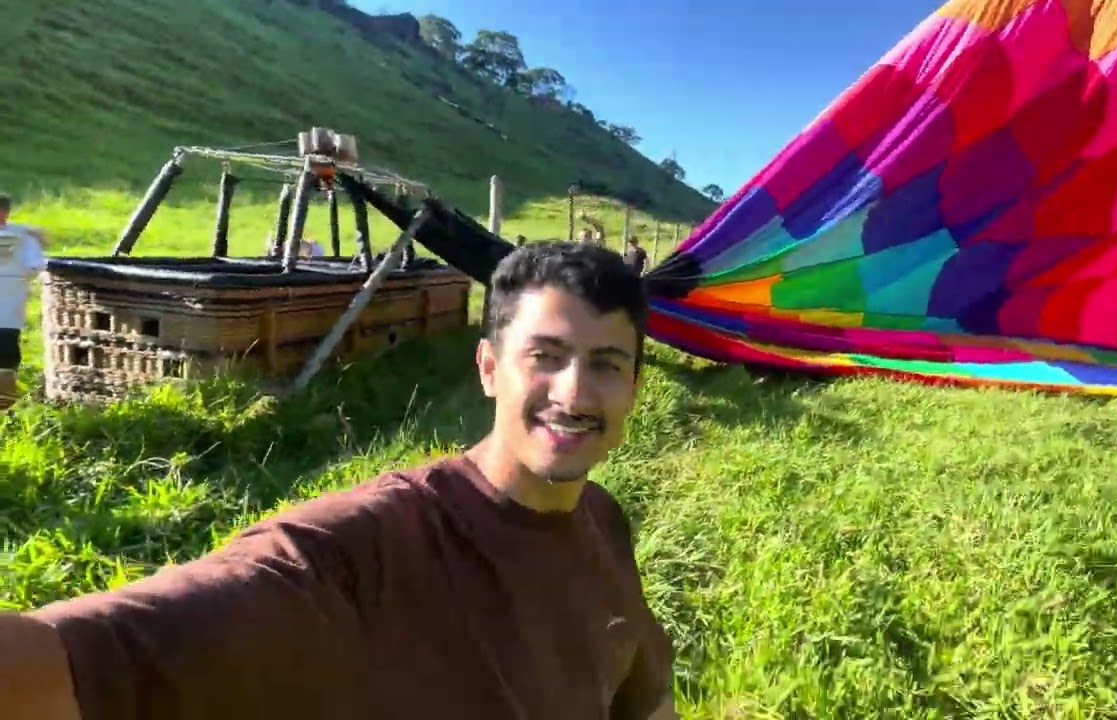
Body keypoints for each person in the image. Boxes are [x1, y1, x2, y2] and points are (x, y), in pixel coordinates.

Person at [0, 241, 677, 720]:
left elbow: (643, 701)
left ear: (636, 387)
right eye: (546, 356)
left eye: (607, 365)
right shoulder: (364, 549)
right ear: (489, 369)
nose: (575, 392)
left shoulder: (603, 521)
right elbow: (70, 660)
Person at [0, 193, 47, 409]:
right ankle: (6, 405)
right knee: (6, 356)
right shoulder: (23, 237)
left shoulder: (23, 235)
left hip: (9, 304)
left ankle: (6, 403)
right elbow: (35, 266)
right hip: (9, 304)